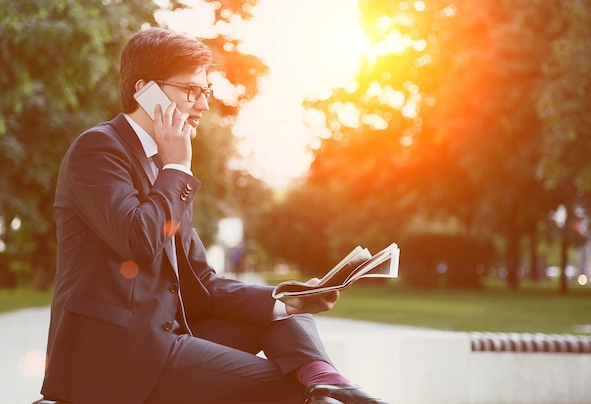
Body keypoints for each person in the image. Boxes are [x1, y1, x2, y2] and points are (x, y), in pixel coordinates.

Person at [40, 27, 386, 404]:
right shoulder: (99, 149)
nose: (203, 104)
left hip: (165, 338)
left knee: (286, 314)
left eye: (205, 92)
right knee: (287, 390)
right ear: (145, 90)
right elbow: (138, 241)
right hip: (118, 356)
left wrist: (289, 299)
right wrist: (177, 170)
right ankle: (325, 390)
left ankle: (329, 381)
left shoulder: (165, 167)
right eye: (192, 90)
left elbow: (201, 283)